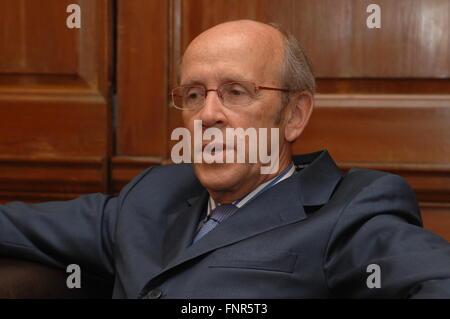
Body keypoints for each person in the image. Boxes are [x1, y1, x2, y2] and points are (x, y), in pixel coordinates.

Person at [1, 20, 449, 299]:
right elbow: (17, 228)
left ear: (294, 114)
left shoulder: (352, 210)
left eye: (236, 92)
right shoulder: (153, 196)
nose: (208, 115)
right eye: (194, 95)